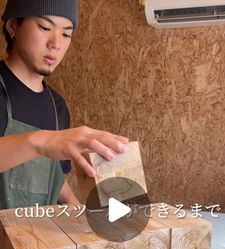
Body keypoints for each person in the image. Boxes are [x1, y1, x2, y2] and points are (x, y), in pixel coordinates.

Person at [0, 0, 129, 210]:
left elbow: (51, 176)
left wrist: (75, 207)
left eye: (66, 34)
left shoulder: (56, 106)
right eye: (45, 27)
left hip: (35, 237)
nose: (56, 43)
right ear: (13, 25)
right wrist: (39, 141)